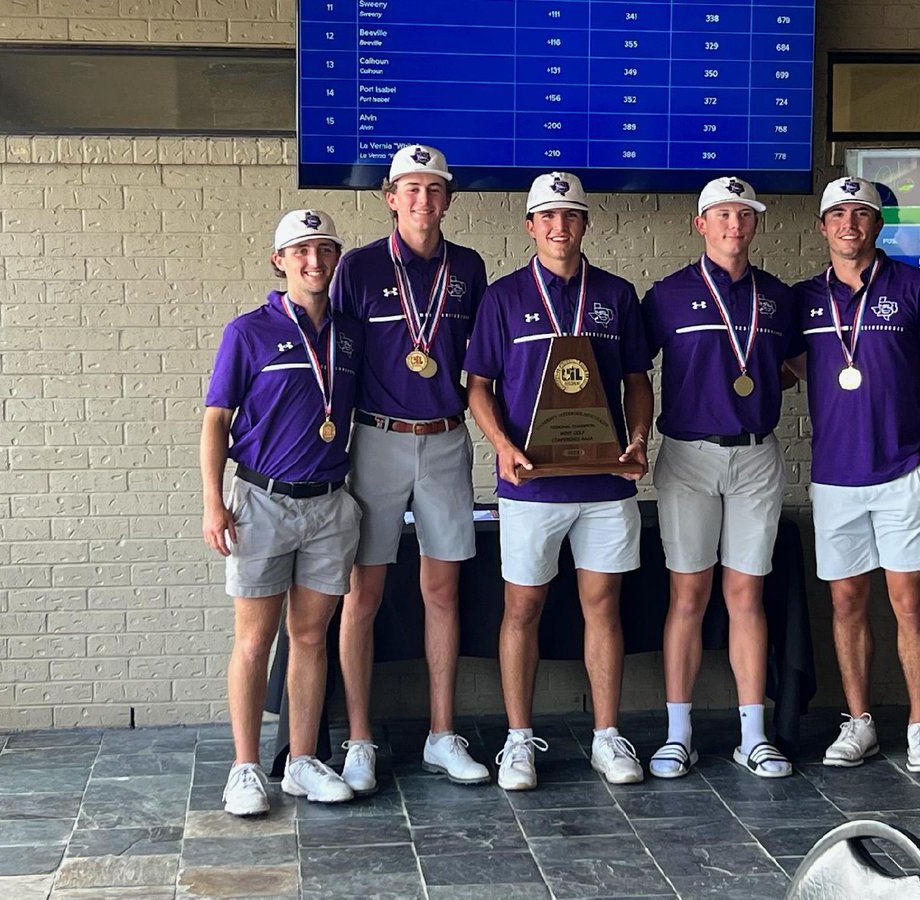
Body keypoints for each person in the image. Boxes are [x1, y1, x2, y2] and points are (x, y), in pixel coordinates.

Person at [464, 171, 653, 791]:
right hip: (530, 483)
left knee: (604, 607)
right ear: (530, 226)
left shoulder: (618, 294)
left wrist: (638, 437)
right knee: (522, 608)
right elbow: (478, 387)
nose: (559, 226)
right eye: (547, 216)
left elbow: (635, 380)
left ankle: (605, 735)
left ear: (585, 223)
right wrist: (502, 446)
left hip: (604, 483)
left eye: (570, 215)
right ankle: (519, 741)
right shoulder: (502, 296)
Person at [788, 176, 920, 774]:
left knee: (909, 601)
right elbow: (780, 366)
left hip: (901, 473)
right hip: (835, 476)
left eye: (861, 214)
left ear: (878, 223)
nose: (850, 224)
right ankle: (858, 723)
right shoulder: (804, 299)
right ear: (823, 227)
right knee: (847, 601)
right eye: (838, 214)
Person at [330, 144, 490, 792]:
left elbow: (483, 367)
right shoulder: (360, 269)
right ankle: (360, 739)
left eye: (434, 189)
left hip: (446, 441)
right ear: (390, 198)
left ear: (448, 199)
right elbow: (336, 364)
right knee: (361, 594)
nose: (423, 201)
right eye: (410, 190)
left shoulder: (469, 269)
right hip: (376, 440)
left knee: (442, 592)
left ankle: (442, 735)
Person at [202, 209, 365, 815]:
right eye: (301, 251)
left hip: (328, 505)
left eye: (323, 251)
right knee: (254, 640)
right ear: (280, 260)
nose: (313, 262)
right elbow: (216, 421)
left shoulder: (349, 335)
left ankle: (300, 762)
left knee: (310, 638)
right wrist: (212, 502)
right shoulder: (249, 331)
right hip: (261, 502)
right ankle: (245, 768)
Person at [640, 176, 802, 780]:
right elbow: (629, 370)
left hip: (756, 456)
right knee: (688, 595)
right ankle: (678, 733)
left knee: (746, 595)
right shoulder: (666, 296)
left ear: (755, 225)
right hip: (688, 457)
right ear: (700, 225)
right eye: (722, 216)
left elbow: (789, 369)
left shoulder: (780, 299)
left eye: (745, 215)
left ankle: (753, 735)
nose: (735, 225)